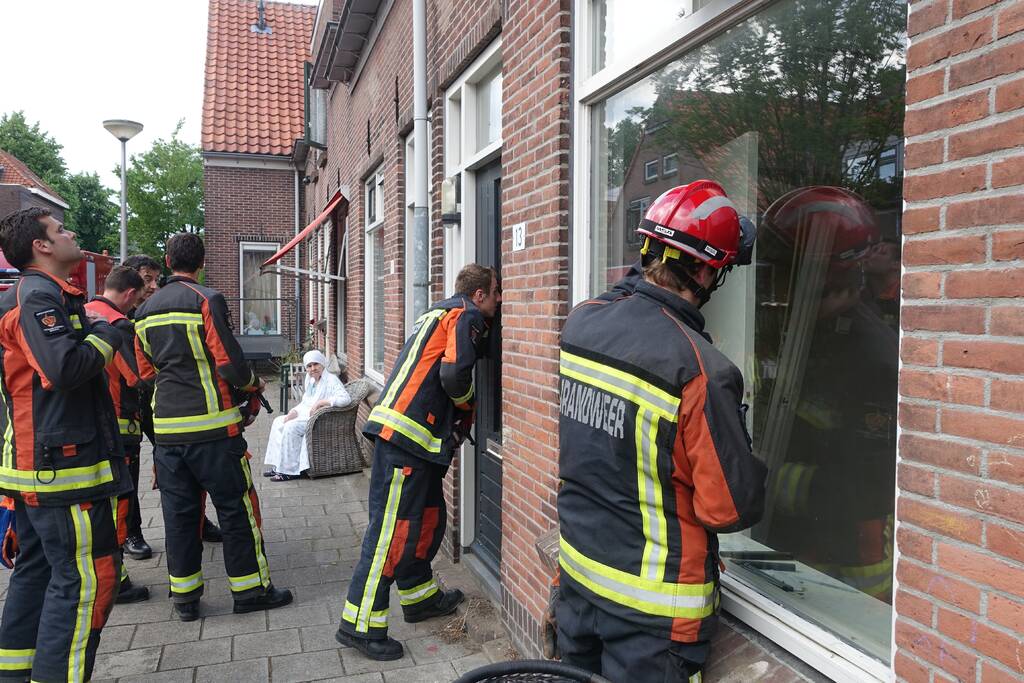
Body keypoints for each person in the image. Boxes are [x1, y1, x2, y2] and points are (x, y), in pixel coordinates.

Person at [555, 181, 767, 682]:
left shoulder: (582, 322)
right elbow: (728, 508)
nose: (719, 282)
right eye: (721, 271)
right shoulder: (700, 369)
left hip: (578, 580)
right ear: (701, 269)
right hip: (653, 619)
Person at [336, 263, 501, 661]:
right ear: (479, 295)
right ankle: (358, 625)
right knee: (390, 532)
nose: (499, 300)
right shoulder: (467, 316)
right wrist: (468, 408)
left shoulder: (436, 312)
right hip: (406, 441)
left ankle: (419, 596)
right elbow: (453, 376)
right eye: (496, 293)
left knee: (427, 518)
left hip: (412, 440)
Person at [0, 207, 132, 681]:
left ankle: (15, 672)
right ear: (42, 246)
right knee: (85, 581)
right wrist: (107, 332)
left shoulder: (44, 295)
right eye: (60, 229)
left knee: (36, 572)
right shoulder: (38, 298)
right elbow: (65, 369)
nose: (70, 233)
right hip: (62, 471)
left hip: (40, 467)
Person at [134, 232, 291, 621]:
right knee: (236, 510)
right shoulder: (206, 300)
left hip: (168, 435)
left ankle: (185, 600)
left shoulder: (143, 312)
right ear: (201, 262)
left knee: (180, 516)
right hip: (214, 433)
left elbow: (144, 373)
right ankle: (250, 592)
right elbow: (229, 364)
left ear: (168, 262)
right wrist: (253, 383)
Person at [123, 254, 223, 559]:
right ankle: (132, 533)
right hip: (126, 406)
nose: (153, 285)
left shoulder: (159, 309)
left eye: (156, 278)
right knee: (128, 471)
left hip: (161, 402)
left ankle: (197, 521)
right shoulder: (119, 317)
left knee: (180, 464)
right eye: (146, 279)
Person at [84, 266, 152, 604]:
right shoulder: (119, 326)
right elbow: (138, 376)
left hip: (89, 426)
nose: (138, 304)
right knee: (119, 505)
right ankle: (114, 581)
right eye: (138, 297)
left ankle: (111, 576)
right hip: (119, 427)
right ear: (128, 294)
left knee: (100, 504)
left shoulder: (84, 312)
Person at [263, 350, 351, 481]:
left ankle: (289, 471)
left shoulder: (331, 380)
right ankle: (278, 466)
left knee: (291, 427)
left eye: (316, 364)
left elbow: (346, 399)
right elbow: (305, 402)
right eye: (309, 366)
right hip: (304, 415)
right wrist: (294, 412)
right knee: (278, 421)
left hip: (319, 419)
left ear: (322, 364)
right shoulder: (310, 380)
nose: (313, 368)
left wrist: (321, 402)